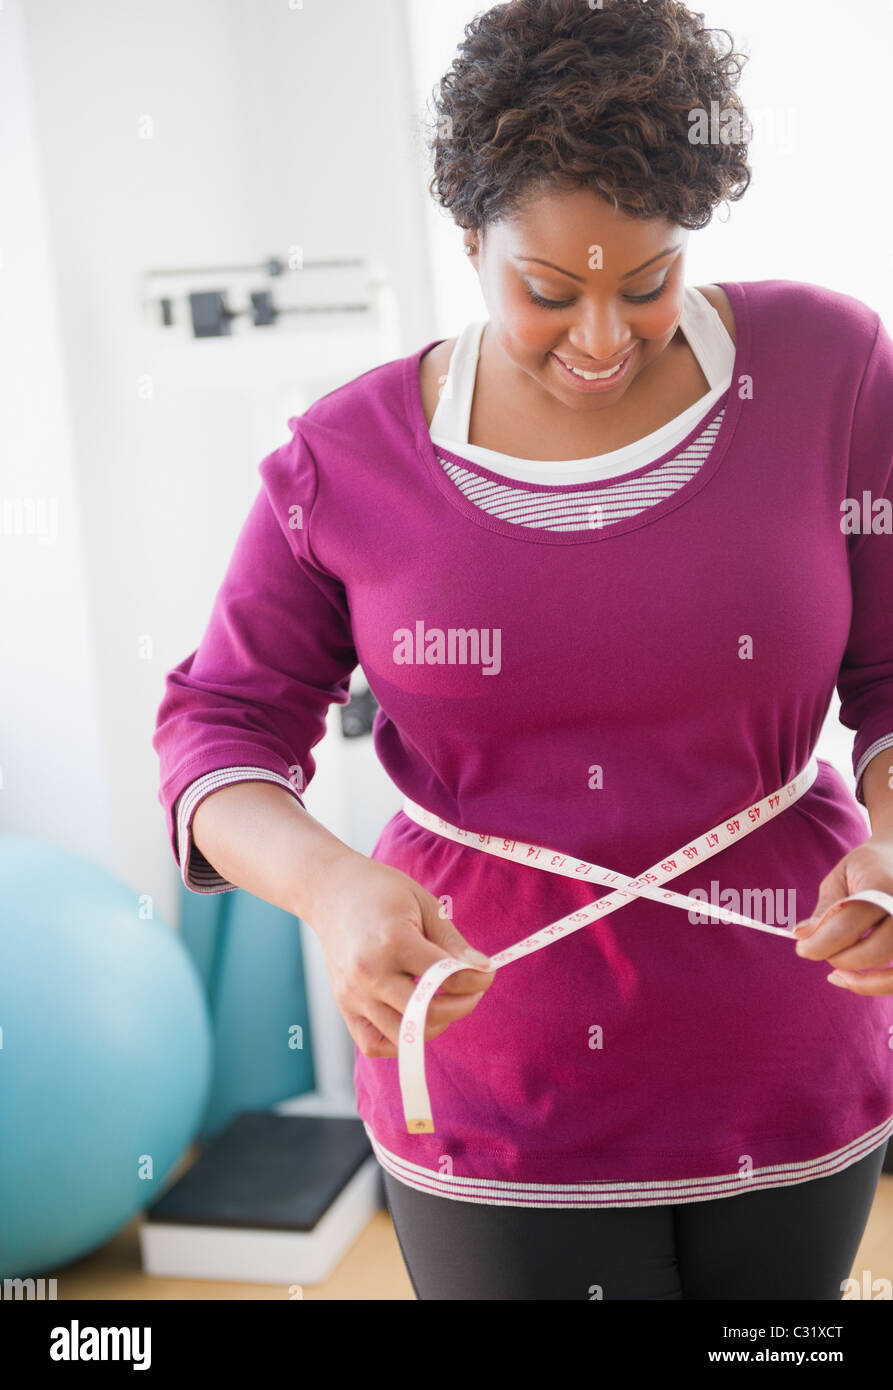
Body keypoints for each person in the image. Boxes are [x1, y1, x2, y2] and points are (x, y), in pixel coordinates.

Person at [153, 0, 893, 1299]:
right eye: (547, 292)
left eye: (647, 281)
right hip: (488, 1087)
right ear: (467, 241)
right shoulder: (346, 457)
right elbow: (216, 723)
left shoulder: (829, 371)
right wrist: (328, 889)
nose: (603, 338)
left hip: (793, 1069)